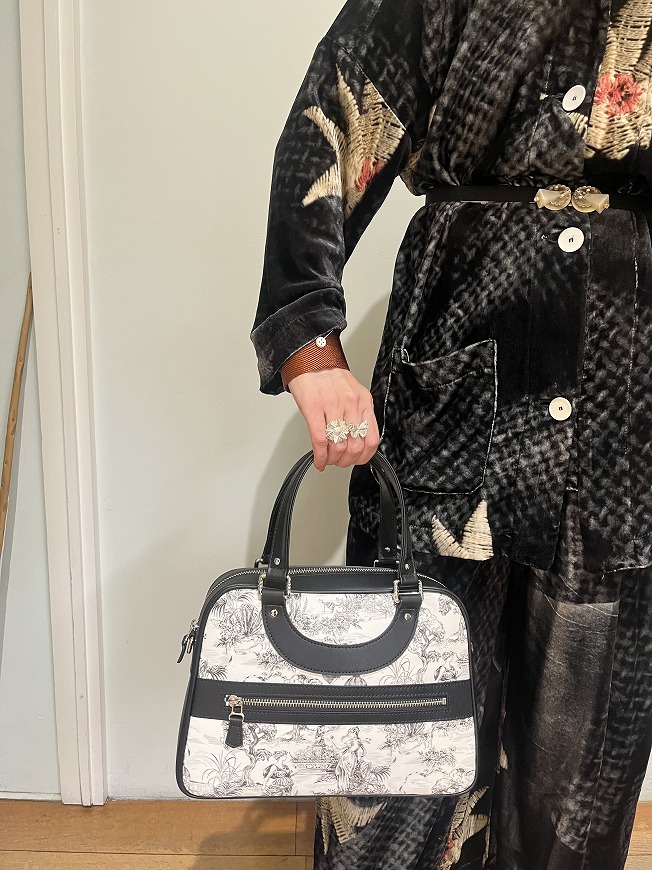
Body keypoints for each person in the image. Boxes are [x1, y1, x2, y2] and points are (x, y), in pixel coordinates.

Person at [250, 1, 652, 868]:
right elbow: (334, 115)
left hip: (628, 389)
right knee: (406, 716)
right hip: (459, 357)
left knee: (583, 745)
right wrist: (309, 343)